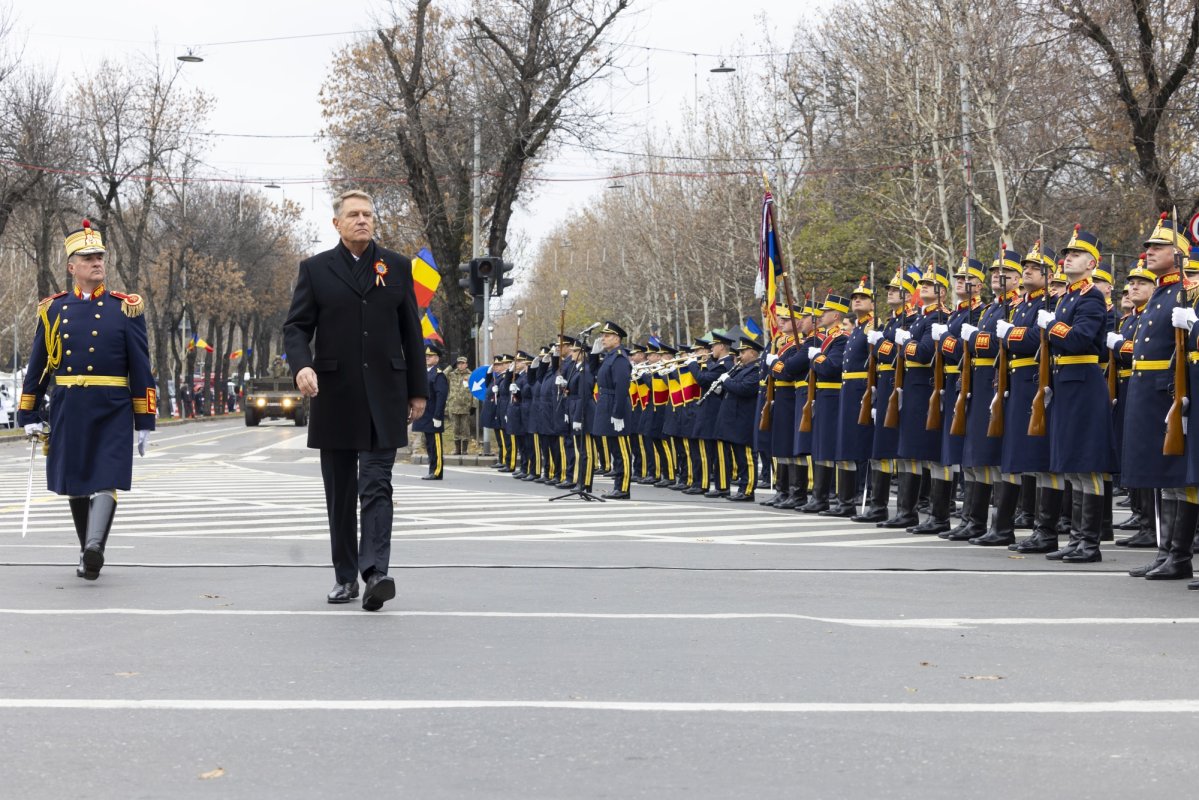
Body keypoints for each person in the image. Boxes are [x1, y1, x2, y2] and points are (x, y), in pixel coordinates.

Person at [283, 189, 428, 611]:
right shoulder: (315, 270)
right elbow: (295, 327)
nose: (362, 220)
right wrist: (301, 366)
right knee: (341, 492)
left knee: (377, 484)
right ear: (337, 224)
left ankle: (375, 574)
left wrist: (418, 390)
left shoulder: (397, 267)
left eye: (368, 213)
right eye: (354, 215)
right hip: (334, 394)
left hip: (386, 394)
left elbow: (411, 333)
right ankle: (345, 578)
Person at [16, 220, 155, 581]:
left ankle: (94, 547)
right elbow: (38, 365)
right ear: (71, 266)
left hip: (112, 405)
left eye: (100, 257)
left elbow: (141, 367)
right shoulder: (53, 311)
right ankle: (87, 551)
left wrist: (145, 420)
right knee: (75, 480)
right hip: (69, 405)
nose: (97, 262)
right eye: (88, 257)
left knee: (106, 475)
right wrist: (28, 411)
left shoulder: (125, 308)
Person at [413, 343, 448, 480]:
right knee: (429, 445)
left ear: (437, 358)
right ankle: (432, 469)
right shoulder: (425, 373)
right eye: (426, 356)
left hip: (434, 415)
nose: (427, 358)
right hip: (425, 415)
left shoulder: (438, 375)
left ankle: (437, 471)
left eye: (431, 356)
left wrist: (438, 416)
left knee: (436, 445)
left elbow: (441, 397)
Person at [446, 355, 475, 456]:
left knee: (465, 429)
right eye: (458, 363)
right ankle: (457, 449)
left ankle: (465, 450)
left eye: (463, 363)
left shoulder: (471, 375)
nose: (460, 365)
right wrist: (451, 366)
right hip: (453, 406)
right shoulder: (452, 374)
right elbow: (442, 375)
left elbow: (474, 390)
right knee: (455, 429)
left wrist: (474, 406)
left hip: (465, 407)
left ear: (466, 364)